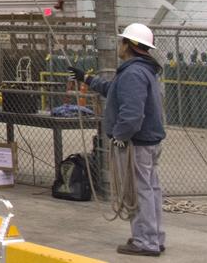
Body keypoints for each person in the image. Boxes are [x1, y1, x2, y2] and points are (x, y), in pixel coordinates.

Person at [70, 23, 166, 257]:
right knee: (150, 189)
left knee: (139, 190)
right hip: (147, 142)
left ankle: (145, 242)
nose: (119, 46)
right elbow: (114, 89)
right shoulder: (142, 70)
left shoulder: (133, 72)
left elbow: (132, 115)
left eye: (122, 41)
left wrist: (121, 137)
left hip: (136, 143)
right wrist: (88, 79)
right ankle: (154, 237)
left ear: (130, 45)